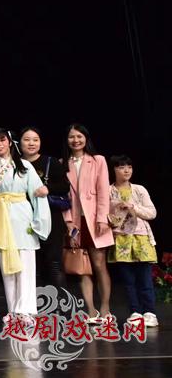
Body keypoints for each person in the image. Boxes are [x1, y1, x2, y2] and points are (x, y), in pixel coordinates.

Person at [0, 129, 50, 321]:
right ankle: (13, 310)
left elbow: (37, 194)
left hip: (22, 218)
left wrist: (39, 221)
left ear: (10, 142)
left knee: (25, 266)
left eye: (2, 140)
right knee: (7, 268)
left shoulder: (24, 166)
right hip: (0, 218)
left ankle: (26, 310)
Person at [63, 124, 114, 323]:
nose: (75, 140)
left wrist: (102, 218)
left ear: (86, 138)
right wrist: (69, 222)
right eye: (71, 137)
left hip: (95, 220)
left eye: (79, 136)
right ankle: (91, 310)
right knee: (82, 267)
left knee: (99, 265)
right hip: (76, 222)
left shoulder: (97, 160)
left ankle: (105, 308)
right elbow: (63, 197)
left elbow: (103, 191)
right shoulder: (63, 163)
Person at [107, 155, 159, 327]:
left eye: (129, 167)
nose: (126, 170)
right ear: (114, 169)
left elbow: (152, 213)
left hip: (141, 237)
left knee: (144, 279)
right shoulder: (108, 191)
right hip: (121, 239)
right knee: (128, 281)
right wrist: (115, 212)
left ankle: (150, 313)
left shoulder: (139, 189)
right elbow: (105, 216)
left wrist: (133, 207)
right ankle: (135, 312)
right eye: (122, 167)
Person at [18, 127, 69, 287]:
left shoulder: (50, 162)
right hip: (24, 220)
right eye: (27, 139)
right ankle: (33, 301)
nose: (31, 143)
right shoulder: (15, 164)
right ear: (19, 143)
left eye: (35, 140)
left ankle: (60, 300)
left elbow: (65, 186)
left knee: (53, 263)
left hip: (51, 219)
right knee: (31, 264)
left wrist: (48, 189)